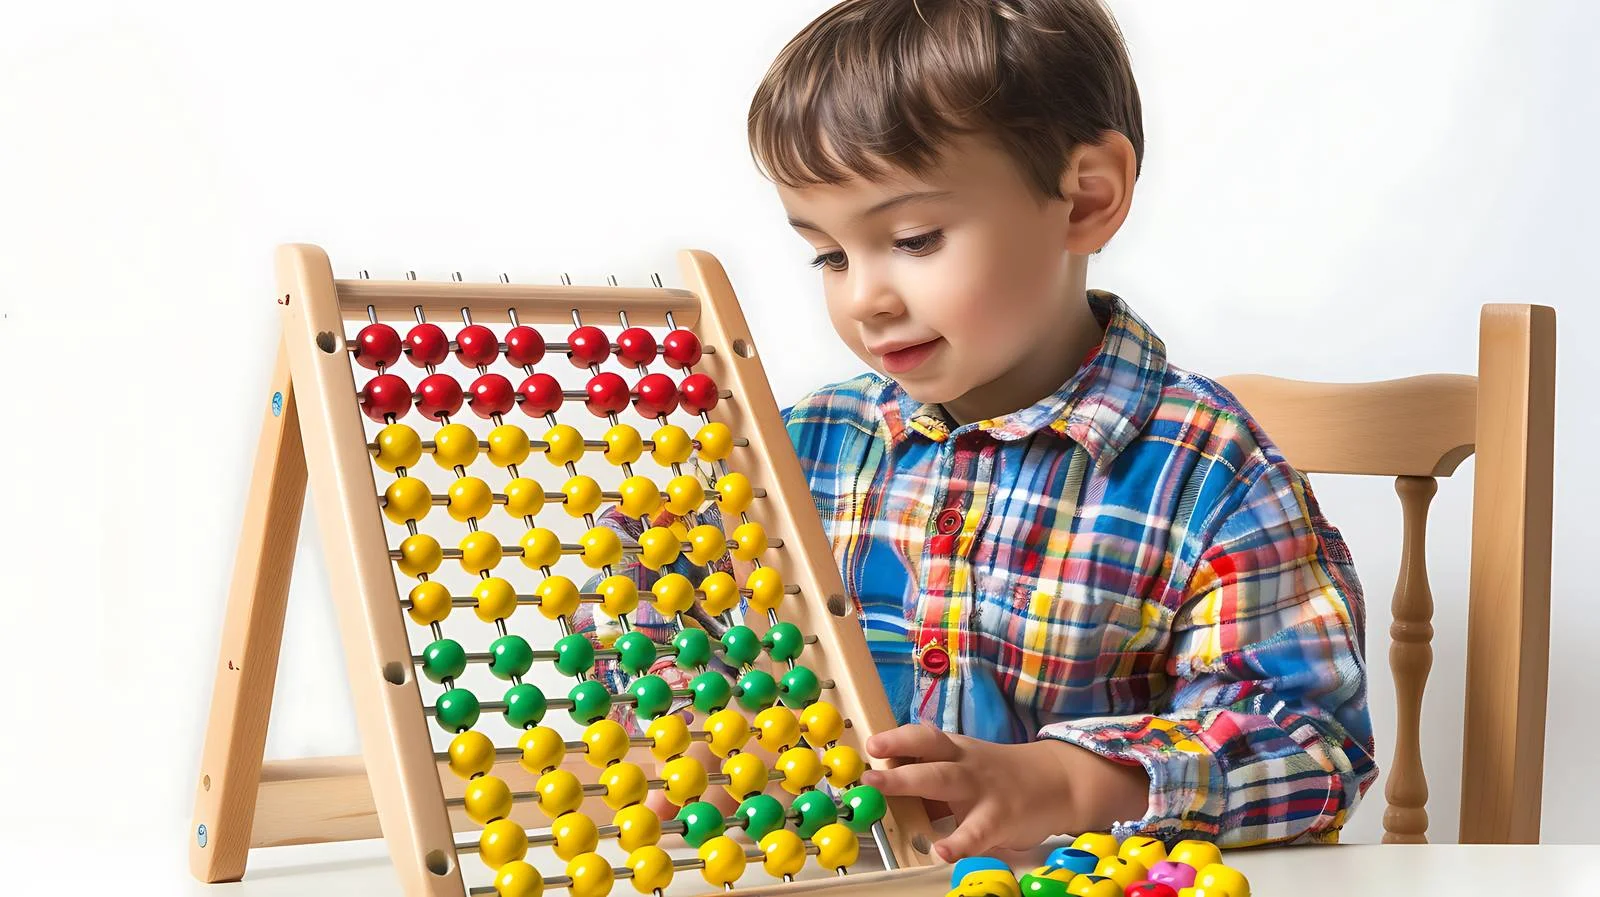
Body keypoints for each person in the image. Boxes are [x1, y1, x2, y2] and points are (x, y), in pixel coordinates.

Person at [577, 0, 1376, 863]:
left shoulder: (1209, 473)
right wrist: (700, 719)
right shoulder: (796, 450)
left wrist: (1071, 782)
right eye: (829, 256)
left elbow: (1309, 742)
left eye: (915, 239)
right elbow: (629, 594)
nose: (862, 299)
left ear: (1085, 200)